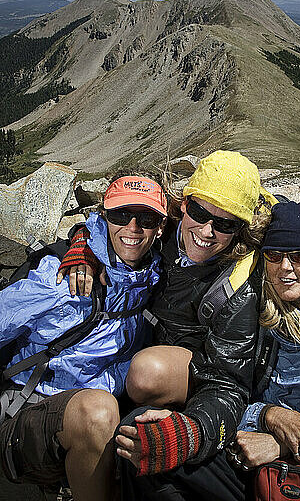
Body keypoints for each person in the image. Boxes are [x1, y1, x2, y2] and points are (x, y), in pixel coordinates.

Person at [127, 201, 300, 501]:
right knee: (143, 434)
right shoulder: (246, 311)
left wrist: (281, 443)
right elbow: (222, 387)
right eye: (275, 254)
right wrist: (268, 415)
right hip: (247, 465)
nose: (286, 267)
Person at [57, 150, 278, 480]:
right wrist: (86, 248)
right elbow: (109, 220)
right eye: (200, 211)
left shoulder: (238, 287)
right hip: (130, 353)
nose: (206, 231)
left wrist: (192, 435)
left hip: (189, 372)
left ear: (240, 230)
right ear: (184, 204)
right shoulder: (162, 225)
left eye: (225, 224)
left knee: (147, 371)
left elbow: (230, 385)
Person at [0, 174, 167, 501]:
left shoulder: (154, 274)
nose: (133, 227)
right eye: (120, 215)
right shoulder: (62, 275)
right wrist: (83, 245)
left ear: (160, 227)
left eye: (145, 218)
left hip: (92, 409)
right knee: (98, 412)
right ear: (104, 218)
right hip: (27, 411)